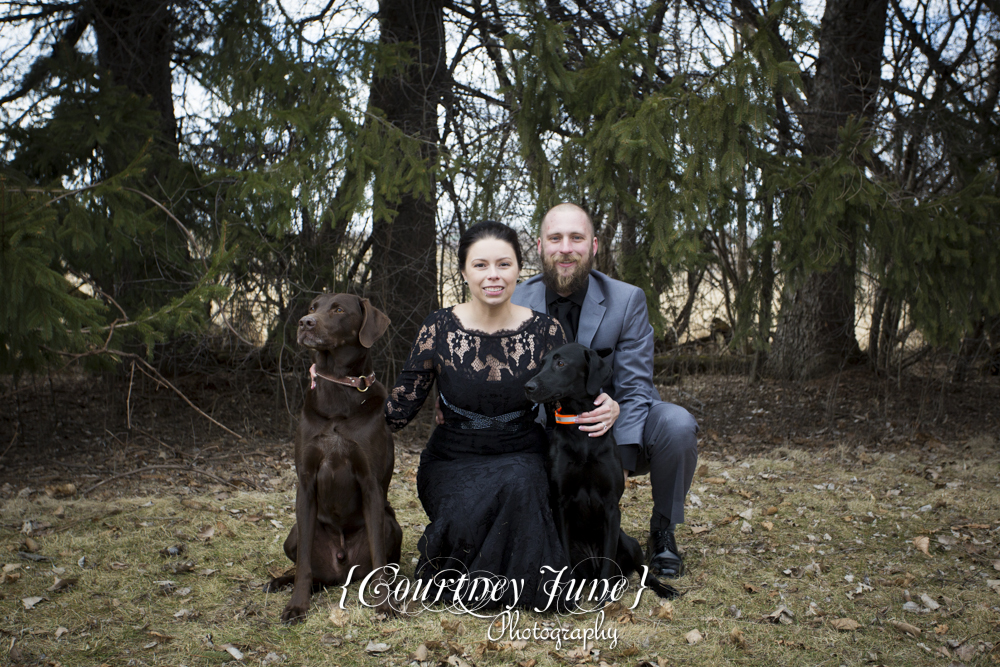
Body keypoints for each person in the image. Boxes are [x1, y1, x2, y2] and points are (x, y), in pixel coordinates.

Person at [385, 220, 620, 610]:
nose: (492, 275)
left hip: (521, 454)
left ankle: (520, 588)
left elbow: (565, 401)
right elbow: (397, 411)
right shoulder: (439, 328)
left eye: (503, 264)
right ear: (463, 271)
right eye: (480, 265)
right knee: (466, 516)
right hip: (453, 460)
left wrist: (607, 404)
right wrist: (350, 384)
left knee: (520, 484)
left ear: (518, 269)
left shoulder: (545, 331)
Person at [512, 203, 699, 579]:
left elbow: (635, 386)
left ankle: (662, 530)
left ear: (594, 246)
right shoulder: (515, 300)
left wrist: (618, 460)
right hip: (544, 431)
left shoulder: (626, 299)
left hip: (609, 432)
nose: (566, 248)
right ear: (539, 246)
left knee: (677, 424)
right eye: (555, 239)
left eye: (576, 238)